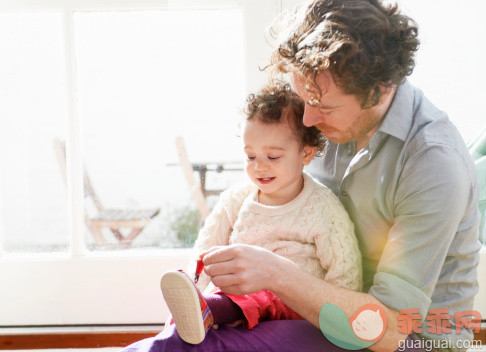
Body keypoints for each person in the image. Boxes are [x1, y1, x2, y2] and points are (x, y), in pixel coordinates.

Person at [123, 0, 481, 351]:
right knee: (183, 337)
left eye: (323, 107)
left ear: (381, 89)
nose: (308, 120)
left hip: (407, 341)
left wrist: (276, 274)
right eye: (304, 97)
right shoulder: (333, 117)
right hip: (321, 312)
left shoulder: (434, 164)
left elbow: (385, 331)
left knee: (205, 347)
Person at [159, 83, 362, 345]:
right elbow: (206, 249)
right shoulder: (236, 198)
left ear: (306, 154)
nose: (259, 166)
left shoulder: (323, 208)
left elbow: (345, 272)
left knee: (262, 296)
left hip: (291, 304)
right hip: (233, 294)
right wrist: (192, 290)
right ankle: (198, 312)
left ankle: (209, 311)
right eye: (250, 156)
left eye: (273, 156)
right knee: (210, 299)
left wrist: (333, 316)